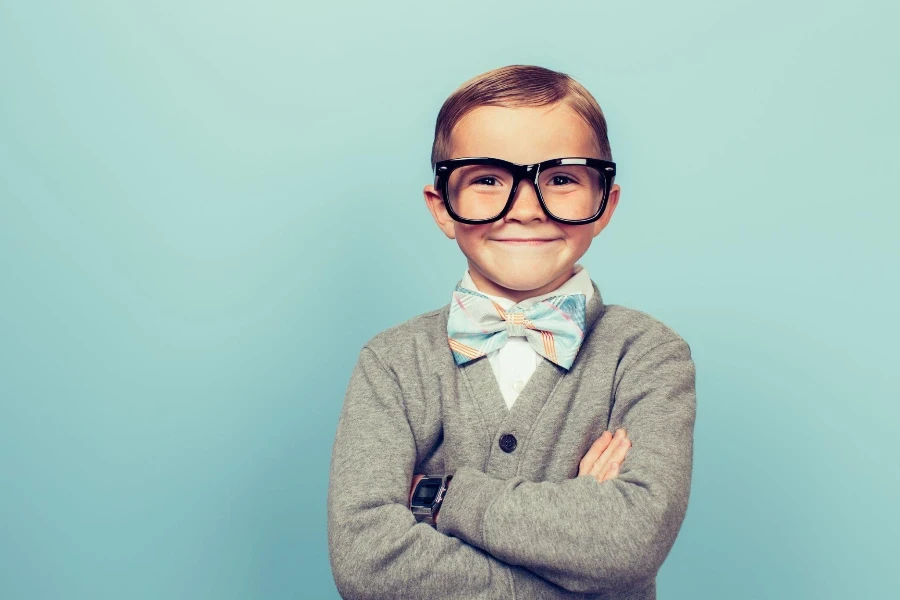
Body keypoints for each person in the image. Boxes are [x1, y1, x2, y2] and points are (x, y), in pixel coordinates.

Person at [327, 64, 697, 599]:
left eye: (562, 179)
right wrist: (574, 558)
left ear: (605, 204)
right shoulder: (391, 362)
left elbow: (628, 544)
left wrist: (442, 497)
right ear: (442, 209)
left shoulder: (648, 355)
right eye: (487, 180)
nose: (524, 210)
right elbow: (367, 563)